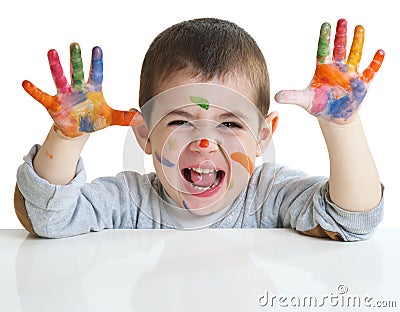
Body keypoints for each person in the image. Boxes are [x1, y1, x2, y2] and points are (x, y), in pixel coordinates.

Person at [14, 18, 384, 241]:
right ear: (144, 134)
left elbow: (352, 220)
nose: (205, 143)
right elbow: (50, 218)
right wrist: (67, 139)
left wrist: (343, 127)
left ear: (263, 138)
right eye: (179, 121)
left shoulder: (269, 195)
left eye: (229, 123)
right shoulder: (128, 201)